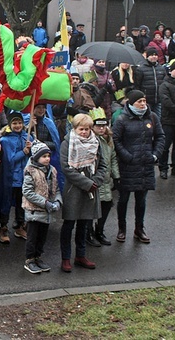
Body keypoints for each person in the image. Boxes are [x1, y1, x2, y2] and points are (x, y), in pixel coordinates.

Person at [112, 90, 164, 244]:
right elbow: (116, 140)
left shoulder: (152, 117)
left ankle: (139, 229)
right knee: (124, 200)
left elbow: (160, 136)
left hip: (145, 165)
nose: (143, 104)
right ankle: (122, 229)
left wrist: (155, 155)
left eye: (144, 101)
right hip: (128, 166)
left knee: (141, 200)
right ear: (131, 102)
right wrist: (127, 156)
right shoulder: (122, 119)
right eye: (139, 101)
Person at [58, 113, 106, 272]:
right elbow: (66, 167)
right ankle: (65, 257)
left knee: (85, 223)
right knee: (69, 224)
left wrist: (96, 181)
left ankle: (81, 255)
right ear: (75, 129)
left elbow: (102, 165)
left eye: (87, 129)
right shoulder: (67, 143)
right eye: (81, 129)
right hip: (75, 188)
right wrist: (86, 183)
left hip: (91, 188)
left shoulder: (96, 142)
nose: (84, 132)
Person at [21, 142, 61, 274]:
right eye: (44, 156)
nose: (47, 159)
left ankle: (38, 256)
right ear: (36, 157)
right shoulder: (30, 171)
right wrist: (45, 203)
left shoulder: (52, 170)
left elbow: (57, 189)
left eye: (48, 156)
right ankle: (29, 259)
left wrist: (58, 202)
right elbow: (28, 192)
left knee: (42, 237)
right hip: (34, 211)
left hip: (47, 211)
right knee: (32, 237)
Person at [0, 112, 32, 245]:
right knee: (6, 202)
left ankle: (19, 225)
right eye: (15, 123)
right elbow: (9, 160)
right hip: (10, 177)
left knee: (21, 203)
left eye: (20, 123)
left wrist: (32, 148)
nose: (18, 125)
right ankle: (3, 227)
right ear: (10, 125)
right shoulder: (5, 140)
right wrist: (23, 152)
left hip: (24, 177)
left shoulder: (27, 137)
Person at [88, 108, 120, 247]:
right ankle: (87, 233)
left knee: (106, 205)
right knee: (90, 208)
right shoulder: (90, 140)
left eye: (103, 126)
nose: (101, 128)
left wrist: (116, 176)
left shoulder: (108, 140)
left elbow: (112, 158)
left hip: (107, 180)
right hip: (95, 180)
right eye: (98, 126)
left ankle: (99, 231)